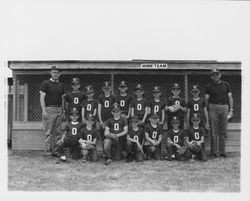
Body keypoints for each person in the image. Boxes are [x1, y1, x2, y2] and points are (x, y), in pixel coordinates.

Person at [205, 68, 234, 158]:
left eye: (217, 74)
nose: (215, 76)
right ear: (211, 77)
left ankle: (222, 152)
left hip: (224, 107)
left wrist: (231, 110)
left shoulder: (226, 85)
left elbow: (230, 98)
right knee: (213, 131)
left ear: (220, 75)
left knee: (223, 131)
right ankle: (214, 152)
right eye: (213, 75)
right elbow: (206, 99)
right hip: (213, 107)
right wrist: (208, 109)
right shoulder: (209, 87)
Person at [40, 66, 65, 156]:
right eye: (54, 72)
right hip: (49, 109)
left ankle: (56, 151)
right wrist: (44, 111)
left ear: (59, 74)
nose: (56, 74)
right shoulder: (45, 83)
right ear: (51, 73)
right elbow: (42, 98)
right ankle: (48, 151)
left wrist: (63, 111)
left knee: (58, 132)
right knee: (48, 131)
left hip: (59, 109)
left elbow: (62, 99)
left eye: (57, 72)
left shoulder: (61, 85)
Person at [98, 81, 117, 150]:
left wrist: (114, 118)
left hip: (110, 118)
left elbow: (115, 108)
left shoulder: (113, 97)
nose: (106, 90)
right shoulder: (100, 97)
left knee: (110, 133)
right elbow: (99, 109)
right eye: (105, 88)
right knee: (102, 134)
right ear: (103, 89)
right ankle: (104, 151)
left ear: (110, 89)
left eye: (108, 88)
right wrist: (100, 120)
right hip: (103, 118)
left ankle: (111, 149)